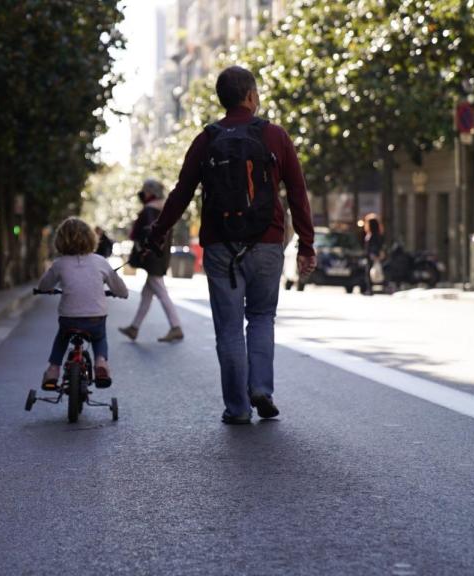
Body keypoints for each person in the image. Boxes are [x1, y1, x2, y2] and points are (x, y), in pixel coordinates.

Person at [146, 66, 316, 424]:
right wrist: (305, 245)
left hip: (221, 246)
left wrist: (158, 232)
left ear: (222, 100)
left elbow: (180, 194)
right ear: (251, 96)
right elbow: (298, 193)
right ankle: (261, 389)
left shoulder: (207, 139)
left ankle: (238, 408)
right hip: (267, 243)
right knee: (261, 317)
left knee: (228, 327)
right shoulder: (275, 136)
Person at [38, 217, 128, 391]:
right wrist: (121, 294)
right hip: (95, 319)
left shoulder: (59, 264)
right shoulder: (100, 261)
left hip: (69, 319)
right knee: (99, 337)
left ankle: (53, 370)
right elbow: (120, 288)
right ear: (91, 238)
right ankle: (101, 362)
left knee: (62, 338)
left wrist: (46, 289)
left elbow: (44, 285)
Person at [119, 179, 184, 343]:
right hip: (159, 256)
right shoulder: (165, 209)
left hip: (152, 257)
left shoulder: (149, 210)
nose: (144, 193)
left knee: (161, 293)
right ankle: (134, 328)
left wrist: (142, 251)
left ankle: (176, 327)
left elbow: (146, 233)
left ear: (151, 192)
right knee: (146, 294)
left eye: (146, 190)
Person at [363, 214, 385, 294]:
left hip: (372, 255)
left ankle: (370, 289)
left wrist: (374, 254)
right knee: (369, 272)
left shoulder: (374, 235)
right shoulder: (371, 234)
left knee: (371, 272)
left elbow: (377, 245)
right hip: (370, 255)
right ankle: (369, 289)